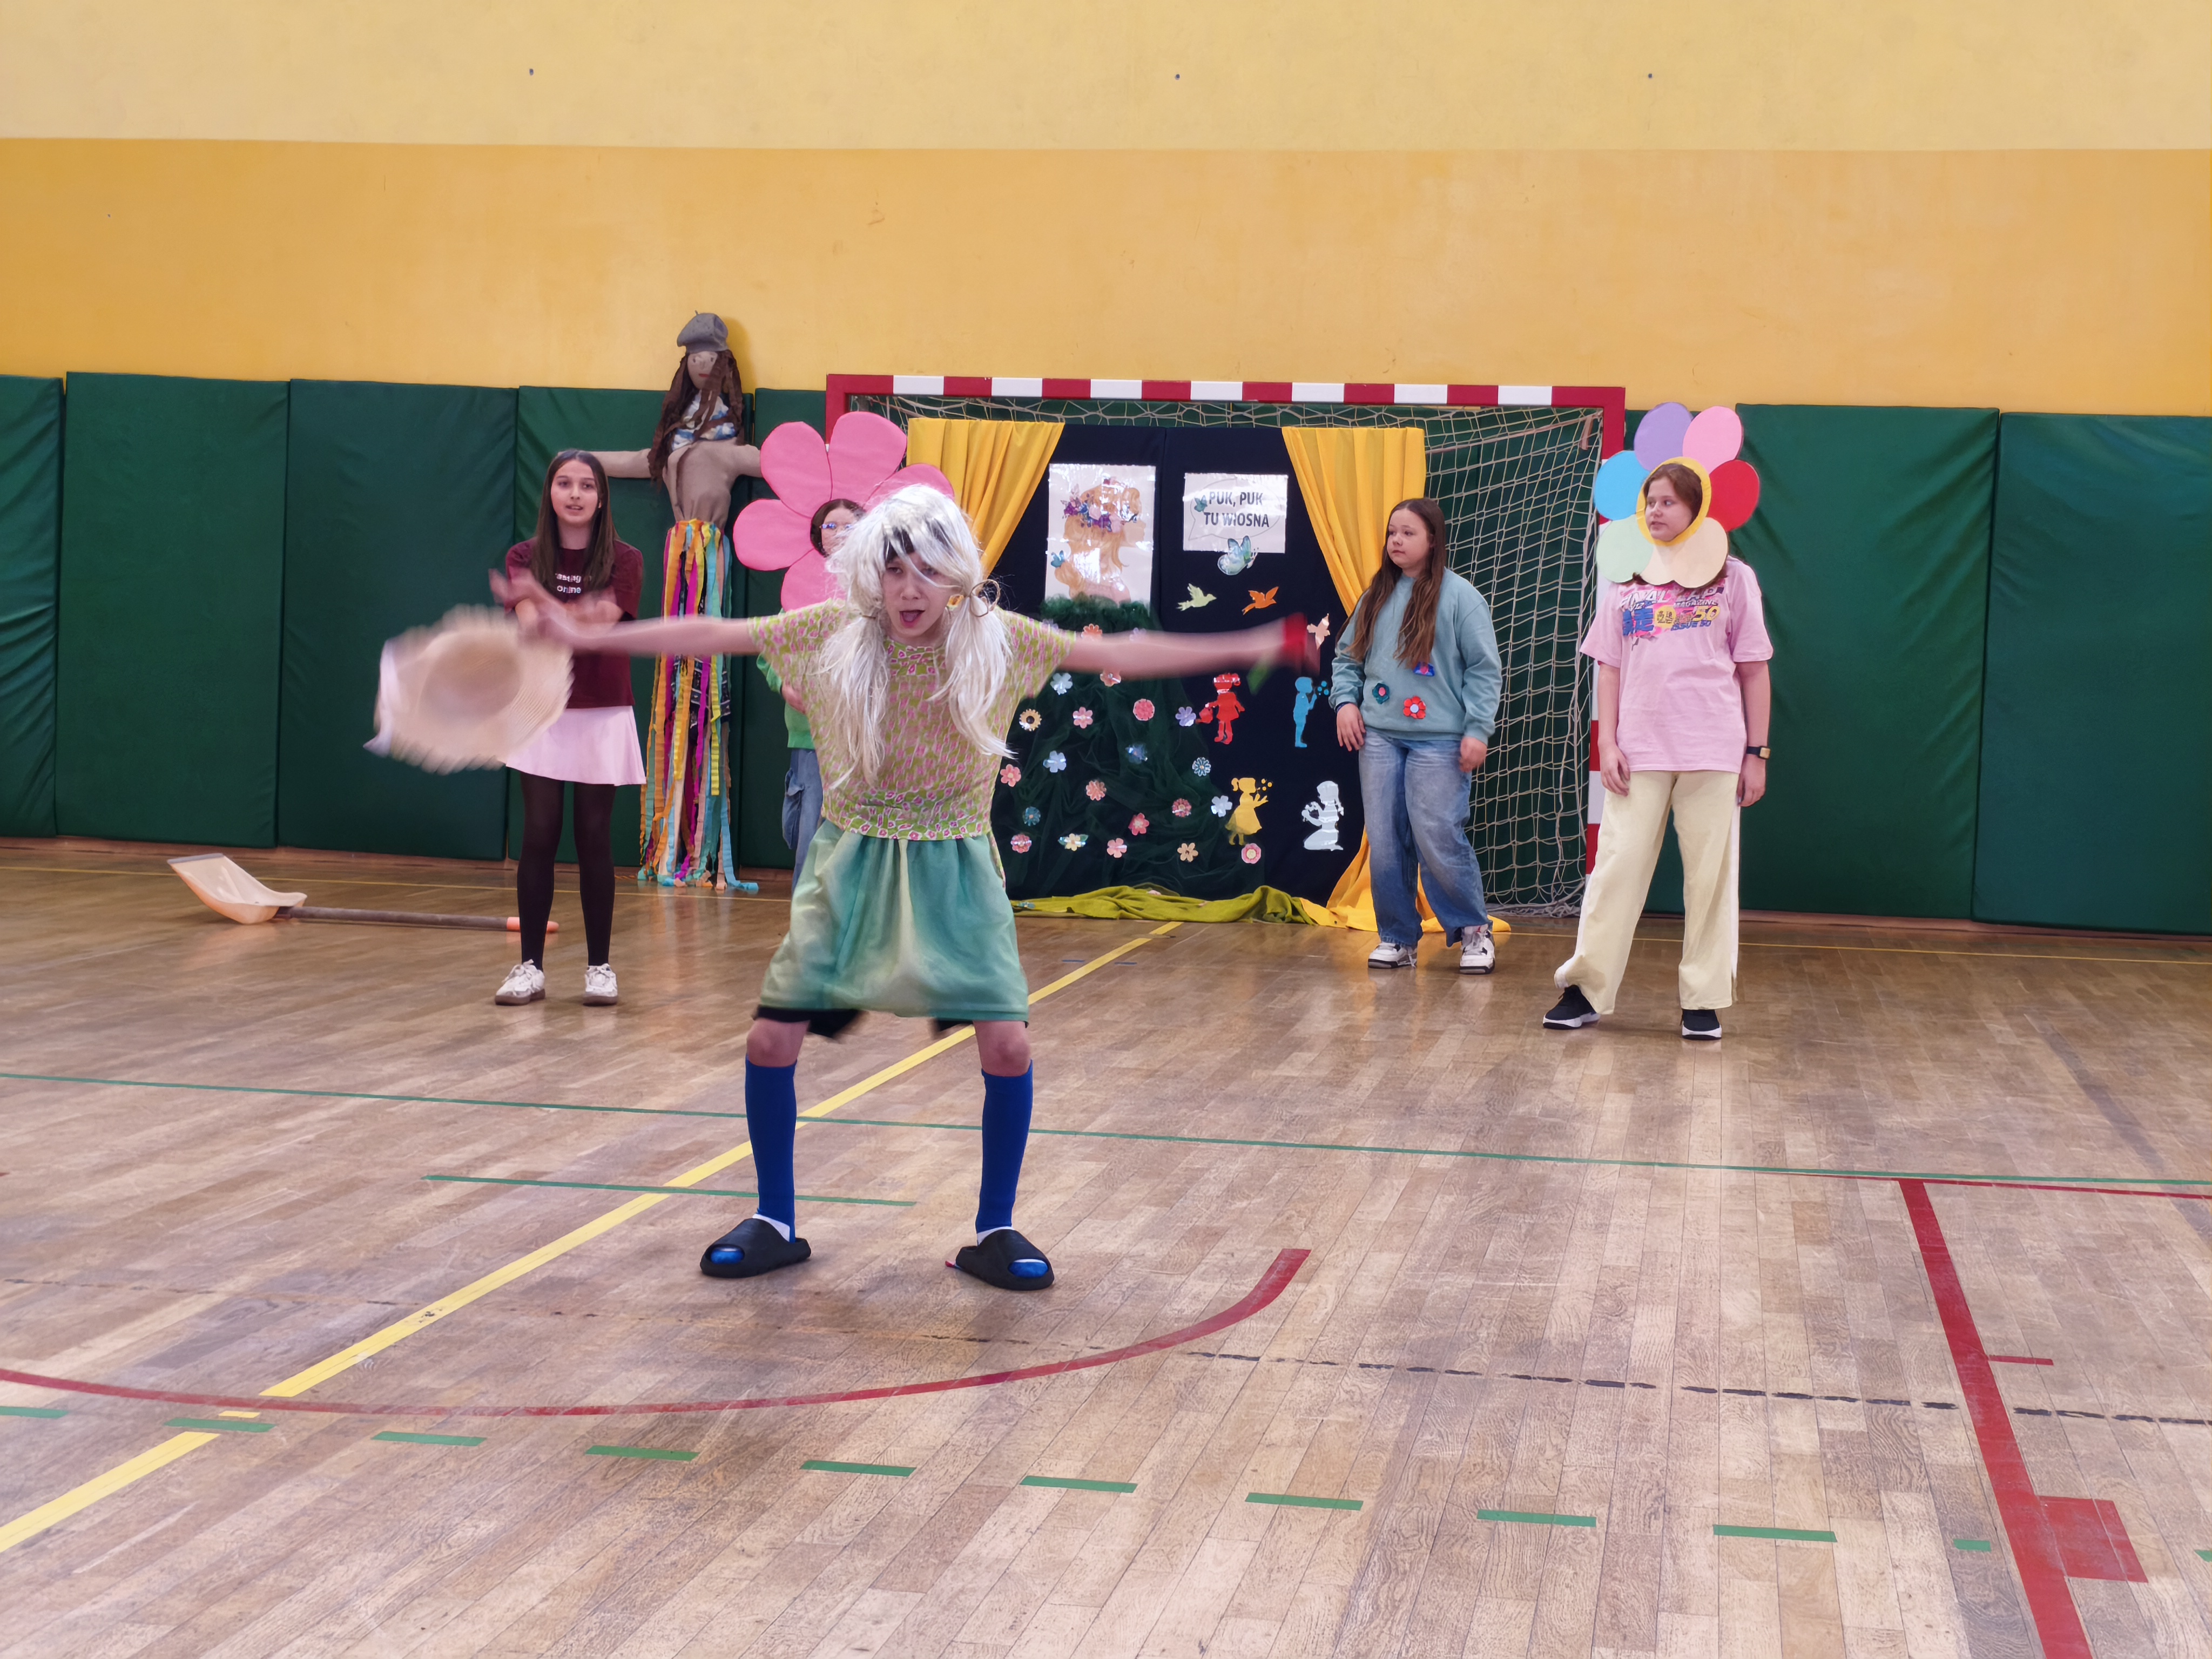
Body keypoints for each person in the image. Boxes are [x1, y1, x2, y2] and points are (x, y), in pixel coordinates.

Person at [496, 485, 1312, 1290]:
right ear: (871, 577)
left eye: (926, 570)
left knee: (1008, 1045)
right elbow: (714, 633)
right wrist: (583, 630)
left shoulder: (996, 640)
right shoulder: (835, 633)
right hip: (851, 855)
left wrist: (1250, 642)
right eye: (894, 571)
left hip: (956, 860)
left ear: (956, 574)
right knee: (771, 1040)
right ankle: (775, 1220)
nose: (910, 589)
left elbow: (1121, 655)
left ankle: (995, 1229)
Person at [1545, 462, 1772, 1039]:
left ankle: (1703, 999)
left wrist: (1756, 753)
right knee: (1615, 869)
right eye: (1650, 501)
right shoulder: (1626, 580)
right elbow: (1609, 668)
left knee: (1709, 881)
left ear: (1696, 509)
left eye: (1668, 501)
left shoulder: (1734, 578)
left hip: (1713, 752)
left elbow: (1754, 670)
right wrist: (1608, 741)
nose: (1655, 511)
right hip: (1639, 752)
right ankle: (1585, 989)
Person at [495, 451, 648, 1007]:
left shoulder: (626, 560)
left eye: (587, 485)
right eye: (565, 484)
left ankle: (600, 968)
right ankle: (529, 967)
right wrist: (545, 610)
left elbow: (597, 629)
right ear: (551, 493)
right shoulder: (523, 556)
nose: (576, 494)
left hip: (602, 710)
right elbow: (536, 633)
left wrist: (547, 605)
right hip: (542, 708)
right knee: (539, 832)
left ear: (602, 498)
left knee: (593, 836)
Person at [1330, 498, 1502, 973]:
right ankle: (1398, 938)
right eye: (1392, 533)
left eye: (1408, 533)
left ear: (1432, 540)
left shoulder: (1462, 598)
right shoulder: (1376, 596)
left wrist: (1477, 729)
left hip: (1441, 739)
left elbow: (1484, 671)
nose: (1397, 541)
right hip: (1380, 738)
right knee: (1385, 839)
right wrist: (1346, 703)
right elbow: (1347, 658)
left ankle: (1474, 933)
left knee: (1437, 835)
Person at [758, 498, 860, 885]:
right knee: (809, 831)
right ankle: (808, 914)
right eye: (830, 526)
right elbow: (770, 652)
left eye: (849, 526)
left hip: (862, 734)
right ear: (817, 535)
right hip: (811, 733)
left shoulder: (879, 590)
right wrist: (785, 682)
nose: (839, 534)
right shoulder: (799, 591)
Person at [590, 312, 762, 527]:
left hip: (709, 544)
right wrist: (582, 459)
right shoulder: (674, 447)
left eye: (711, 360)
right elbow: (635, 462)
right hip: (679, 542)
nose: (702, 365)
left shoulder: (730, 450)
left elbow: (771, 465)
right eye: (695, 359)